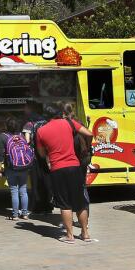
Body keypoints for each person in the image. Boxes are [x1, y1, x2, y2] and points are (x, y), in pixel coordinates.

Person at [35, 102, 94, 243]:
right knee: (80, 202)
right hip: (74, 166)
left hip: (57, 169)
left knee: (64, 203)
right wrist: (87, 147)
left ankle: (70, 236)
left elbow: (42, 154)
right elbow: (89, 133)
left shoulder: (41, 131)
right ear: (59, 113)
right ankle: (85, 234)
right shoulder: (69, 123)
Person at [0, 115, 34, 220]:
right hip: (23, 166)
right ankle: (25, 213)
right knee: (23, 190)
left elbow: (1, 153)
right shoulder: (21, 136)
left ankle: (15, 215)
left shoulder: (3, 137)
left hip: (11, 167)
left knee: (14, 191)